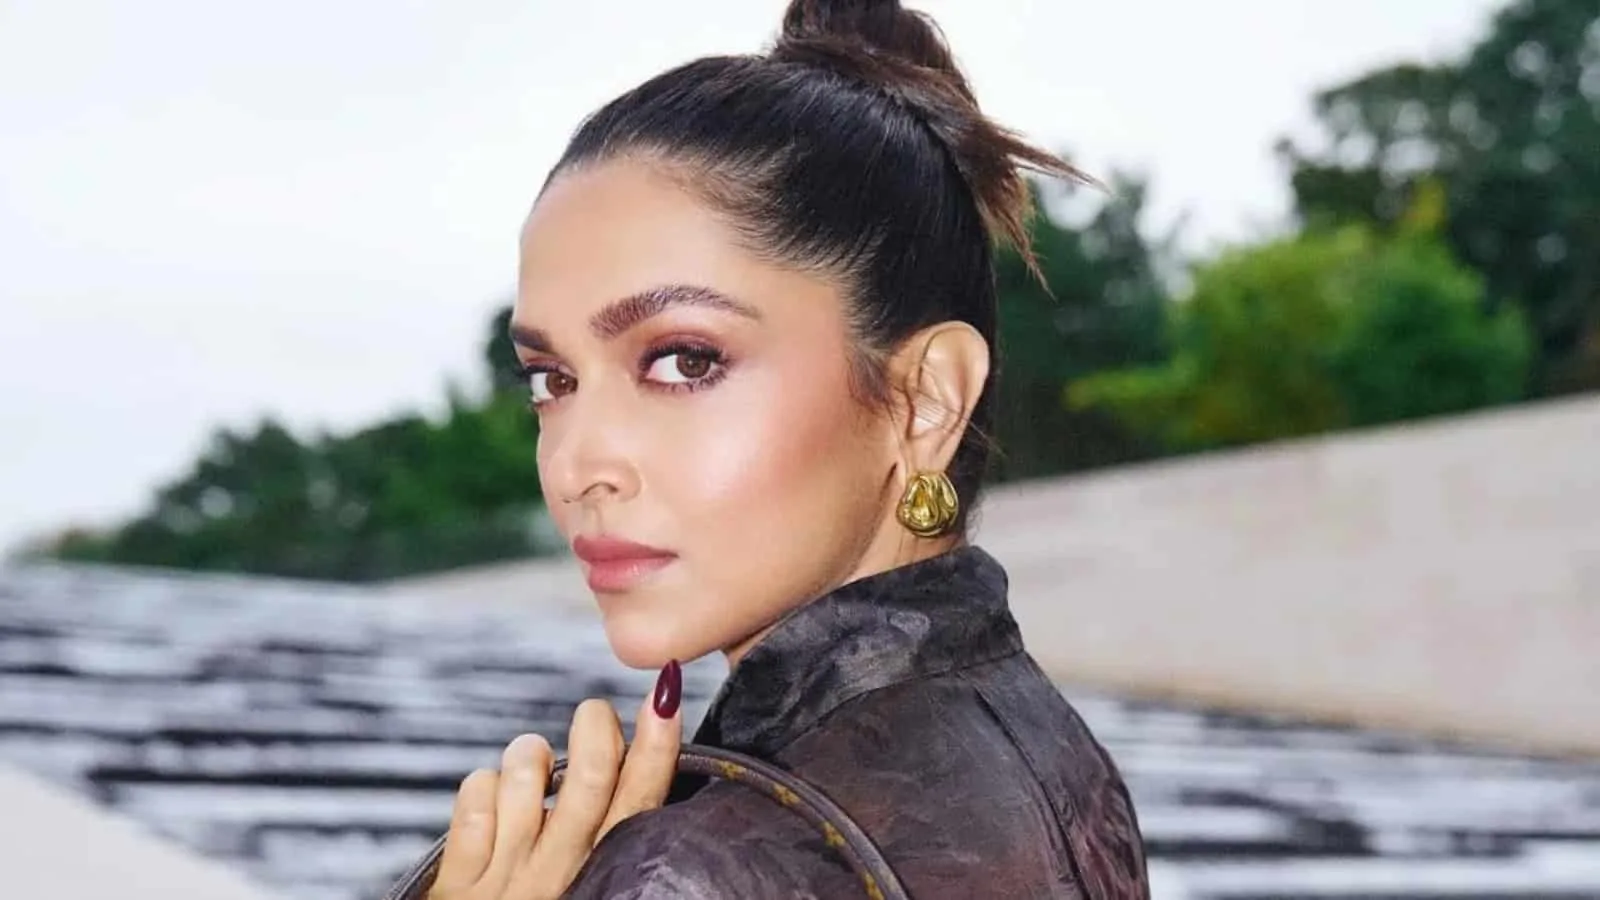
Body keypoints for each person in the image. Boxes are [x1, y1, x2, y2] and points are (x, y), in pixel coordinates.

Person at [424, 0, 1149, 897]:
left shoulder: (695, 872)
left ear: (926, 399)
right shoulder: (1051, 754)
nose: (577, 466)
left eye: (684, 361)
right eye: (551, 380)